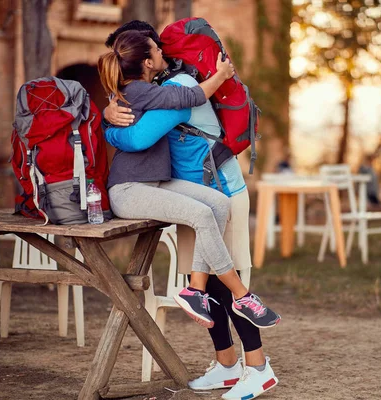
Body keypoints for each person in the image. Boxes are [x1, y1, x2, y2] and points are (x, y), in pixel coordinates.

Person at [102, 21, 279, 400]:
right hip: (193, 192)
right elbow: (139, 124)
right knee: (210, 284)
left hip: (220, 191)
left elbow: (139, 137)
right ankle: (229, 365)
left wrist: (109, 125)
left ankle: (260, 368)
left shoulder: (180, 86)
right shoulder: (159, 89)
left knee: (229, 282)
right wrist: (110, 114)